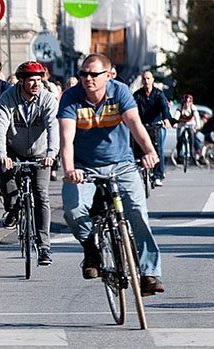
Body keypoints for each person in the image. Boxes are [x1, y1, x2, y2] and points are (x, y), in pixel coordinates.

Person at [59, 53, 164, 296]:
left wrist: (150, 152)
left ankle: (149, 272)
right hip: (83, 168)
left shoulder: (120, 92)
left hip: (122, 165)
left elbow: (135, 124)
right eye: (84, 74)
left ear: (109, 75)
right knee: (73, 211)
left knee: (137, 212)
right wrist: (69, 171)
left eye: (94, 74)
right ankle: (91, 248)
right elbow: (66, 140)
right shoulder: (71, 98)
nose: (88, 79)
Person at [0, 61, 59, 266]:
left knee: (41, 193)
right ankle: (12, 209)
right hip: (13, 150)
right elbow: (0, 126)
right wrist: (2, 154)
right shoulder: (8, 98)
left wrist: (51, 153)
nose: (36, 84)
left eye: (39, 80)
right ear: (21, 81)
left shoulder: (47, 99)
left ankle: (44, 247)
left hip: (40, 153)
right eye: (31, 80)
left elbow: (53, 126)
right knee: (6, 180)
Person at [132, 71, 171, 186]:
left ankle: (158, 175)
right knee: (138, 149)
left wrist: (166, 119)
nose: (146, 81)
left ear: (153, 80)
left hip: (155, 126)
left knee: (158, 149)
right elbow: (132, 108)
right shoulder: (137, 95)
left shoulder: (158, 94)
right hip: (142, 126)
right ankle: (139, 171)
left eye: (148, 78)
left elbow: (164, 107)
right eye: (144, 79)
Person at [173, 94, 202, 162]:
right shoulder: (180, 107)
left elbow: (197, 117)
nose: (187, 104)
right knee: (179, 139)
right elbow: (176, 116)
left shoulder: (193, 108)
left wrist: (198, 125)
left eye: (189, 102)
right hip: (181, 124)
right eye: (185, 102)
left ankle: (192, 153)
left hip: (190, 124)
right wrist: (174, 123)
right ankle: (179, 154)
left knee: (192, 135)